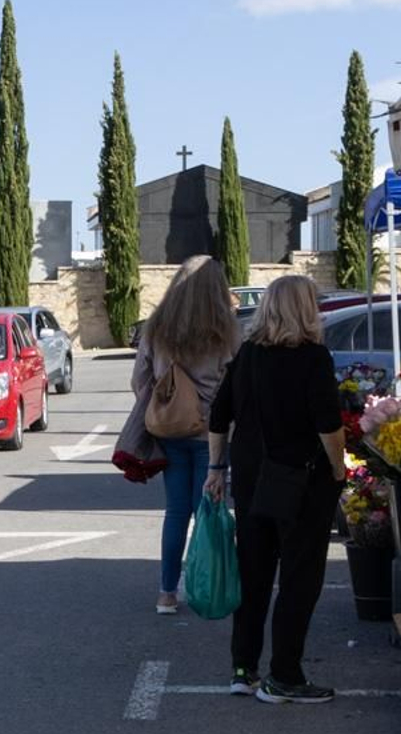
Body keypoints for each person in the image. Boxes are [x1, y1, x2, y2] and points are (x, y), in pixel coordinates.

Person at [204, 275, 345, 703]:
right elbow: (328, 425)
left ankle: (243, 669)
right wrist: (340, 471)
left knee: (254, 574)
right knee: (300, 578)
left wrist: (216, 466)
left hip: (251, 477)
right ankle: (284, 674)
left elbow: (218, 414)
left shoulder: (248, 354)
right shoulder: (313, 357)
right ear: (305, 309)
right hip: (301, 481)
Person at [132, 255, 240, 615]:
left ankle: (166, 592)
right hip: (212, 431)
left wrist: (162, 404)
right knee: (206, 509)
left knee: (175, 511)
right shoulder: (225, 329)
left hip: (169, 427)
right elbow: (235, 383)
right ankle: (201, 584)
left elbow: (139, 380)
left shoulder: (156, 326)